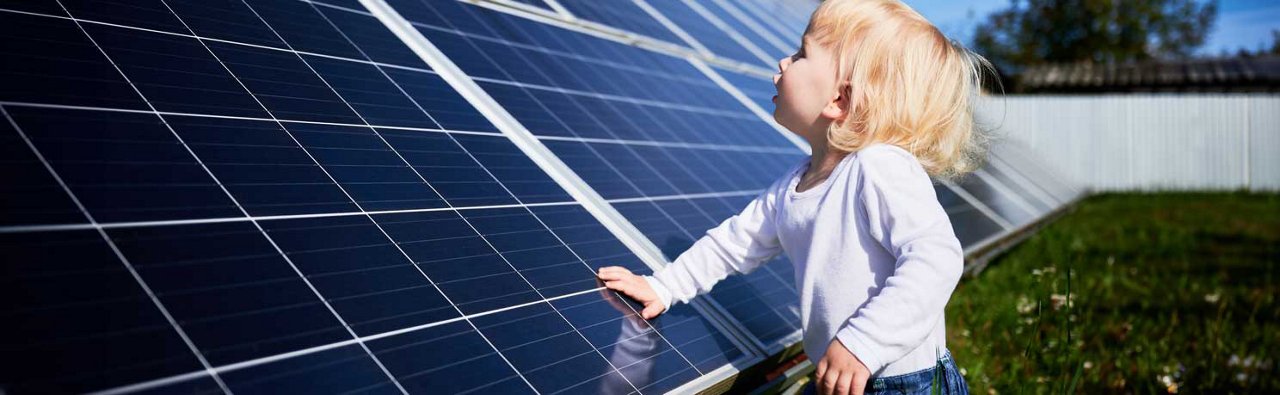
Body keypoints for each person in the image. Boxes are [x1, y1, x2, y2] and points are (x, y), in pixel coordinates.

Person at [596, 0, 992, 394]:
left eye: (802, 54)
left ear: (840, 100)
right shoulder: (795, 182)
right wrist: (663, 286)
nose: (784, 62)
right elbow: (735, 242)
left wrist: (864, 343)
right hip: (842, 372)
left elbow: (936, 258)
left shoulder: (878, 167)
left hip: (898, 381)